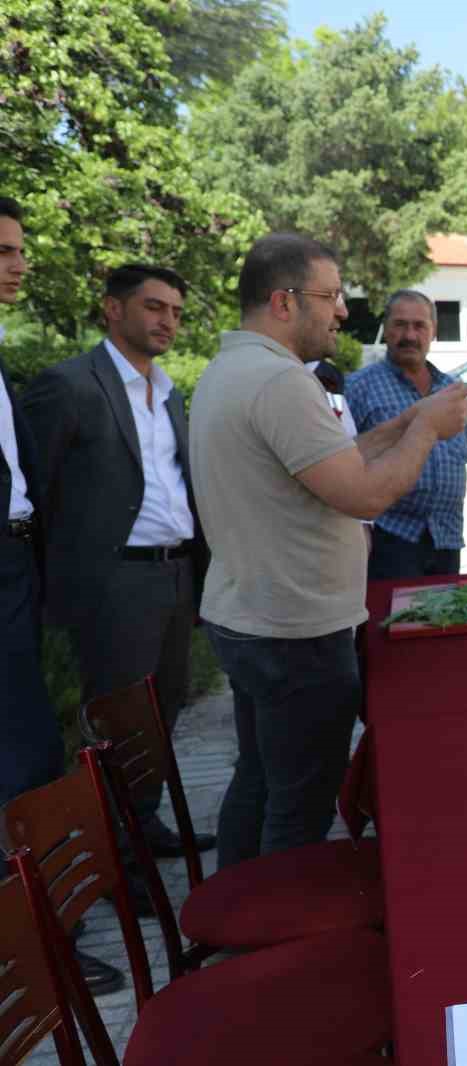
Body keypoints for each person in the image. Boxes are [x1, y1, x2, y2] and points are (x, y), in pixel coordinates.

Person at [191, 232, 467, 868]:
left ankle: (234, 903)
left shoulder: (233, 369)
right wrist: (428, 428)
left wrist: (410, 419)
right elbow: (366, 494)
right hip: (297, 630)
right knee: (300, 803)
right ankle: (275, 945)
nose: (343, 312)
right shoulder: (279, 382)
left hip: (254, 616)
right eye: (331, 296)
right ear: (284, 301)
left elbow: (335, 462)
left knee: (260, 779)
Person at [22, 264, 215, 859]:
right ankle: (114, 856)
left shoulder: (169, 390)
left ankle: (144, 827)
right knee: (119, 720)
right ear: (112, 309)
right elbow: (34, 487)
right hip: (114, 581)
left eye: (177, 313)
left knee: (165, 708)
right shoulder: (70, 385)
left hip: (176, 572)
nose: (168, 322)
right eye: (155, 307)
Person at [0, 197, 127, 995]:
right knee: (20, 760)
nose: (18, 264)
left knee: (29, 758)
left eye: (19, 248)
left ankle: (44, 931)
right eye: (2, 250)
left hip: (17, 570)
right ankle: (35, 950)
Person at [345, 289, 467, 579]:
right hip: (389, 538)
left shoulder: (453, 390)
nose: (410, 335)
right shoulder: (357, 388)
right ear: (386, 329)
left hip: (446, 536)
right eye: (400, 324)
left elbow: (462, 458)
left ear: (434, 332)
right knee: (390, 621)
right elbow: (344, 463)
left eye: (419, 326)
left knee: (447, 622)